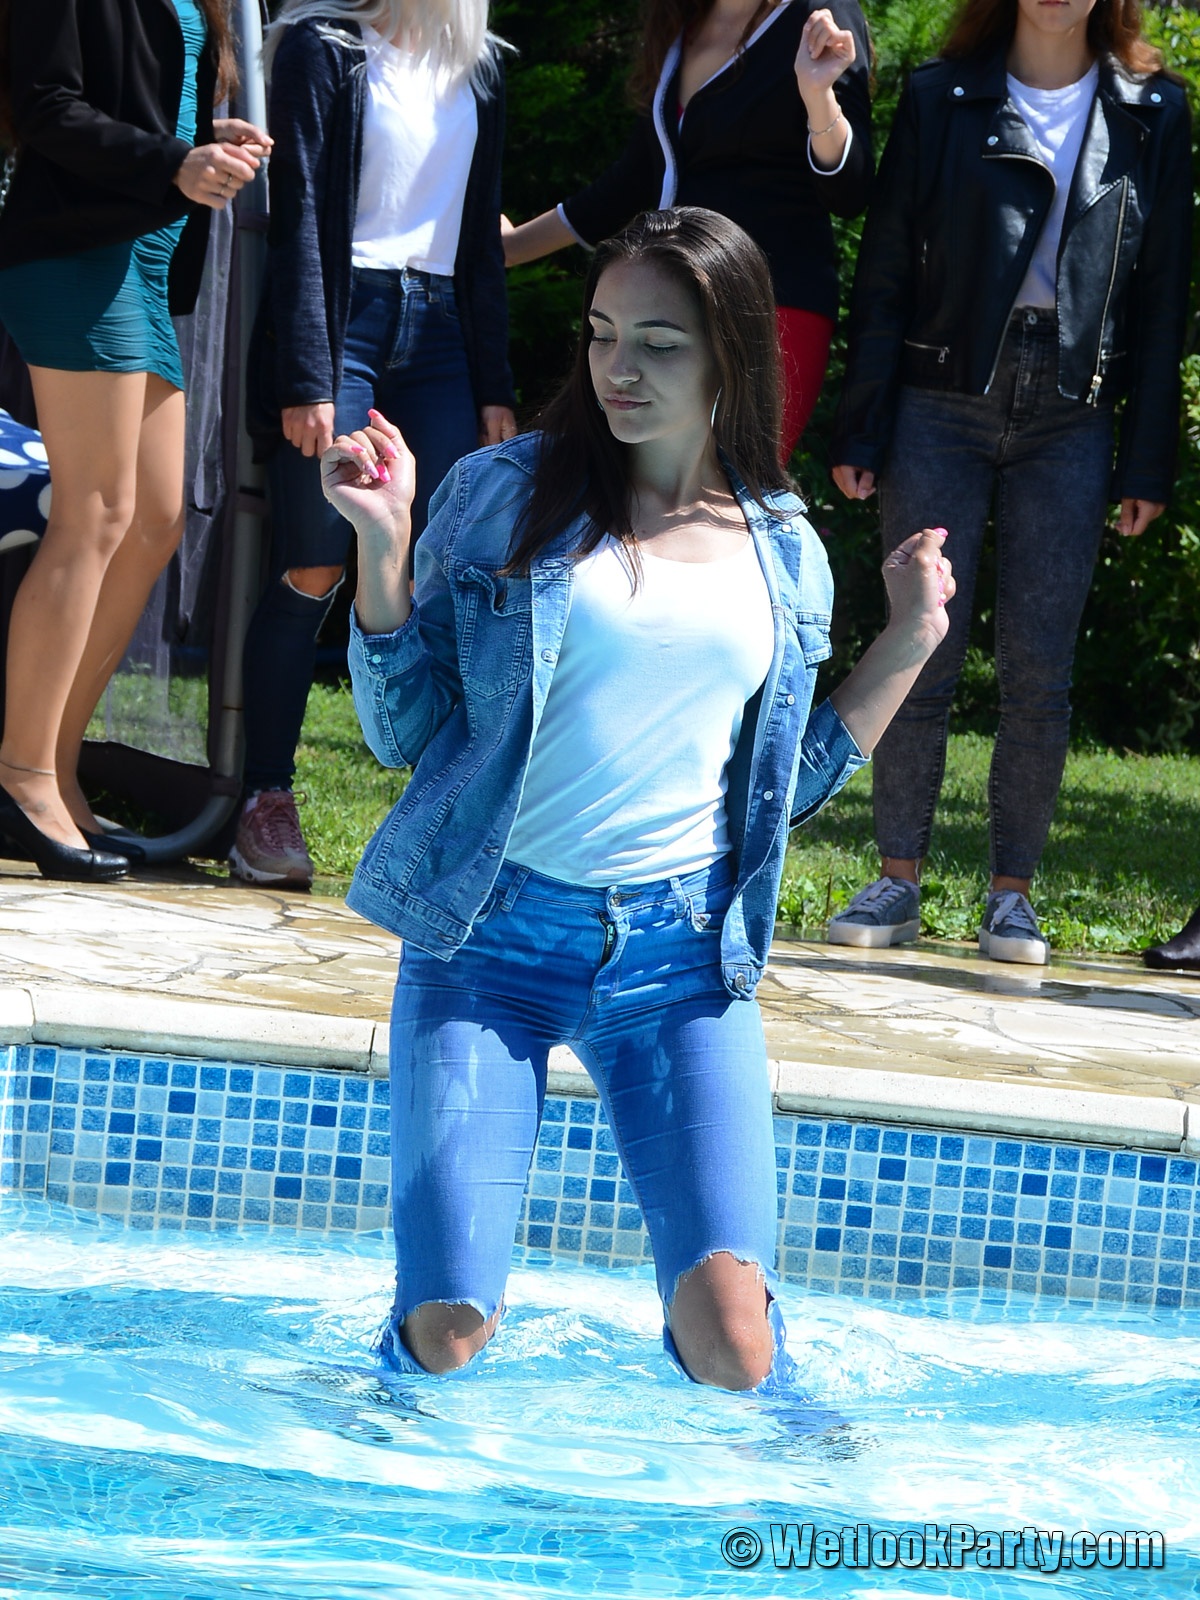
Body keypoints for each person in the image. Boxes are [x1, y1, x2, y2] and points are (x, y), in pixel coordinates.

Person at [321, 208, 954, 1391]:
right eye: (603, 333)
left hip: (679, 958)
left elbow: (778, 791)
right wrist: (384, 548)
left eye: (658, 344)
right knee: (448, 1327)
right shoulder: (504, 493)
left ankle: (772, 1482)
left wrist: (912, 638)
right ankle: (373, 1444)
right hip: (486, 942)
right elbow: (401, 732)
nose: (618, 367)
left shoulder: (785, 552)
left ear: (730, 356)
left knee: (737, 1344)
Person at [826, 0, 1192, 965]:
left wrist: (1147, 457)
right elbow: (885, 272)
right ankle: (896, 880)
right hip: (938, 397)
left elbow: (1163, 297)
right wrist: (862, 420)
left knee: (1039, 669)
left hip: (1075, 408)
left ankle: (1012, 897)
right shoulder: (942, 96)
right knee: (921, 645)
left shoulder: (1153, 108)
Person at [234, 0, 516, 890]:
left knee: (449, 571)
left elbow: (480, 239)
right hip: (343, 326)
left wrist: (496, 384)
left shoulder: (482, 65)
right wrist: (306, 373)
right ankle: (264, 800)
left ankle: (448, 815)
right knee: (316, 561)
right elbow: (300, 215)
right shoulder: (323, 47)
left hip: (442, 335)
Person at [0, 0, 269, 882]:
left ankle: (57, 766)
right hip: (76, 253)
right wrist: (174, 162)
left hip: (146, 260)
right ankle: (22, 775)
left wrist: (204, 141)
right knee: (96, 513)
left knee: (154, 520)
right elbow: (45, 104)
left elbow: (138, 98)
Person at [501, 0, 872, 459]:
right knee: (629, 480)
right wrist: (512, 246)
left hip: (769, 307)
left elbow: (849, 189)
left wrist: (818, 96)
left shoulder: (819, 15)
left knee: (732, 481)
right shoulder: (680, 24)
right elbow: (634, 180)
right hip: (664, 303)